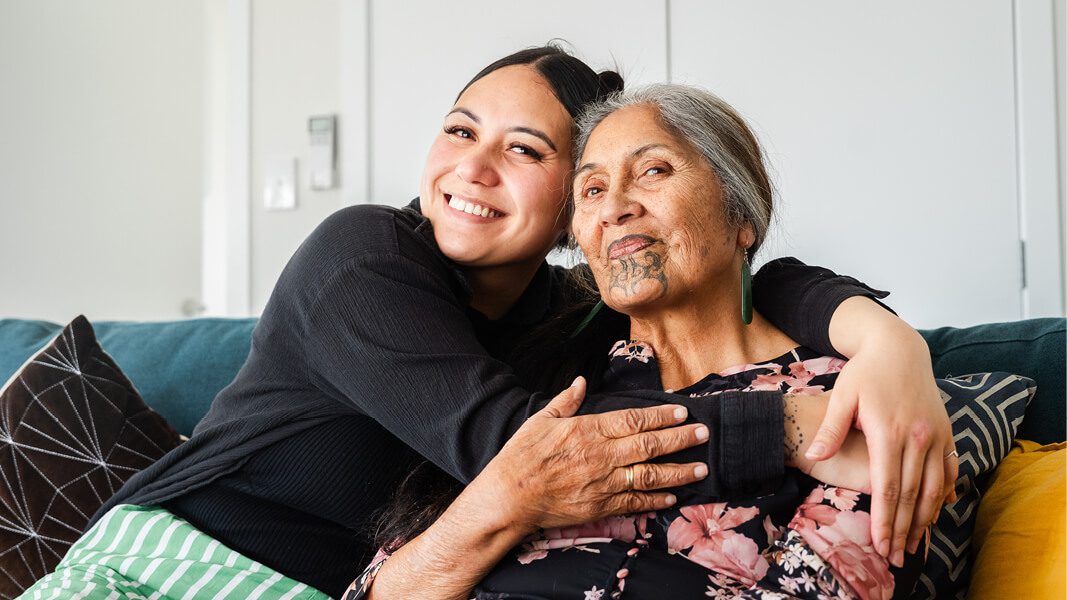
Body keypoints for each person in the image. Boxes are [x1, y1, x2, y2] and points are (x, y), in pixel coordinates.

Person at [23, 47, 952, 600]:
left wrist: (884, 340)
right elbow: (522, 459)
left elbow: (732, 270)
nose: (471, 169)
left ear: (566, 222)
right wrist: (803, 430)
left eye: (526, 150)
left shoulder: (574, 320)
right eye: (460, 130)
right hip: (170, 567)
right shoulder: (360, 257)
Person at [348, 84, 941, 600]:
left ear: (743, 215)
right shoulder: (536, 382)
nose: (615, 209)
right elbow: (383, 589)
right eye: (591, 190)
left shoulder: (848, 399)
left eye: (654, 171)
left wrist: (893, 343)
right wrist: (505, 501)